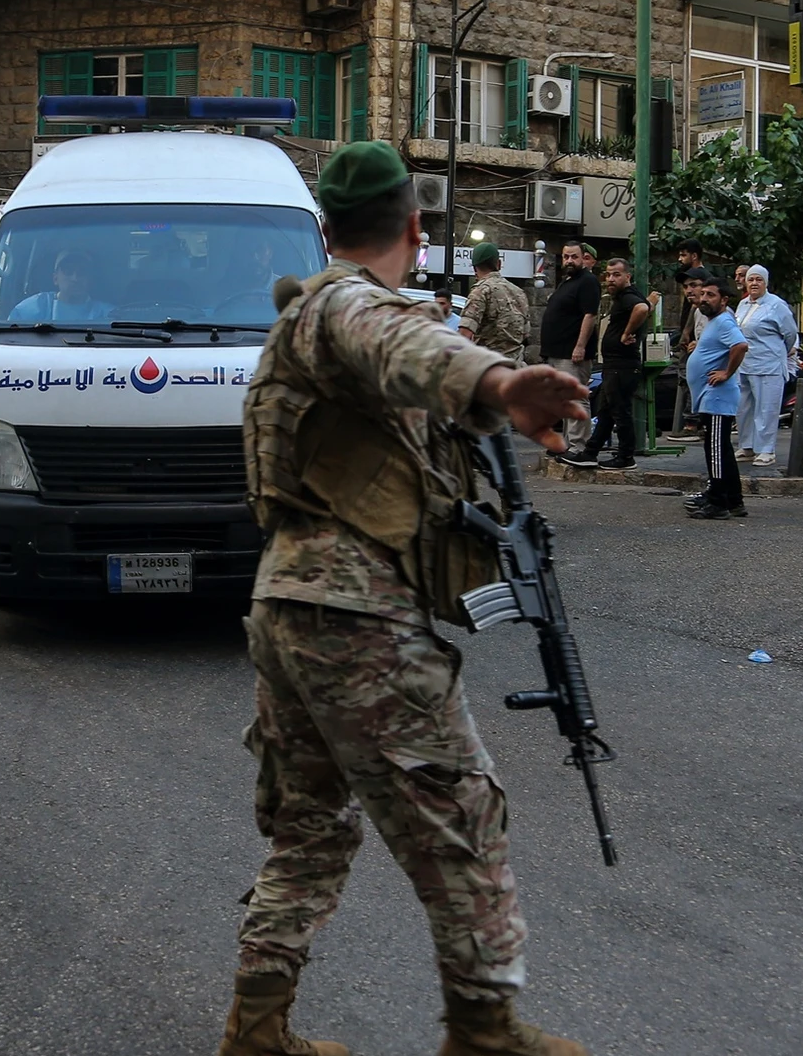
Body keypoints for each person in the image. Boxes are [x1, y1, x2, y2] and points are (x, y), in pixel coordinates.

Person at [226, 141, 589, 1056]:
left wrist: (483, 408)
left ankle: (257, 1028)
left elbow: (405, 368)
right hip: (352, 611)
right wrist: (502, 381)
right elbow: (397, 339)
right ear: (415, 229)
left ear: (327, 227)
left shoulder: (308, 321)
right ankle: (485, 1031)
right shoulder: (346, 305)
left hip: (290, 601)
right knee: (459, 815)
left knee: (311, 823)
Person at [560, 258, 648, 470]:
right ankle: (591, 452)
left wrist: (627, 333)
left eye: (616, 275)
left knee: (619, 412)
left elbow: (642, 308)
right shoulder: (623, 297)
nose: (610, 279)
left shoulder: (628, 296)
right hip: (615, 364)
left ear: (627, 276)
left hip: (622, 365)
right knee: (607, 412)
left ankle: (626, 457)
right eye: (608, 275)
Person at [686, 278, 749, 519]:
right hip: (710, 397)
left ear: (723, 300)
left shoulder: (723, 321)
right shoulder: (715, 321)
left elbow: (740, 346)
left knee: (715, 451)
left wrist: (726, 372)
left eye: (710, 295)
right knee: (721, 450)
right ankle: (733, 500)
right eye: (702, 294)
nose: (703, 299)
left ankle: (718, 502)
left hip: (717, 398)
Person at [539, 239, 601, 451]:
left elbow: (590, 315)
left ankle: (578, 446)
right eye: (566, 257)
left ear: (583, 258)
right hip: (556, 353)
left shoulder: (588, 281)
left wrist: (580, 346)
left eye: (574, 256)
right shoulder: (567, 282)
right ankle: (567, 445)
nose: (569, 261)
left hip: (571, 354)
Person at [732, 266, 797, 466]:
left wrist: (778, 353)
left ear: (766, 283)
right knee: (744, 408)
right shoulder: (742, 304)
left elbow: (790, 334)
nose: (754, 283)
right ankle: (747, 446)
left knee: (766, 408)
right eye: (750, 279)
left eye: (758, 280)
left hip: (768, 365)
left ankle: (766, 450)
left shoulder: (777, 305)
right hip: (744, 364)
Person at [664, 247, 710, 442]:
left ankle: (693, 425)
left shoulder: (716, 312)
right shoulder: (697, 310)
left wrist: (699, 345)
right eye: (686, 287)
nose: (689, 290)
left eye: (694, 285)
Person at [458, 241, 529, 363]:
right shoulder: (519, 292)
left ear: (474, 267)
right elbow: (526, 333)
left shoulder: (480, 291)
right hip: (515, 366)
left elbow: (465, 334)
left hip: (488, 366)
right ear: (499, 264)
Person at [6, 249, 110, 323]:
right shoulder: (29, 310)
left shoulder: (108, 315)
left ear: (90, 280)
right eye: (68, 271)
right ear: (55, 278)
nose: (75, 278)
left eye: (82, 272)